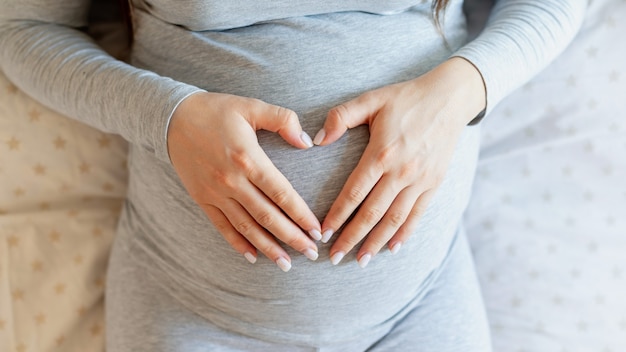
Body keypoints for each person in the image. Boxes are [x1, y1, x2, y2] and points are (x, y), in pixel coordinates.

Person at [0, 0, 586, 350]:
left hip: (419, 306)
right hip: (189, 308)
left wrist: (462, 89)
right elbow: (22, 29)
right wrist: (165, 116)